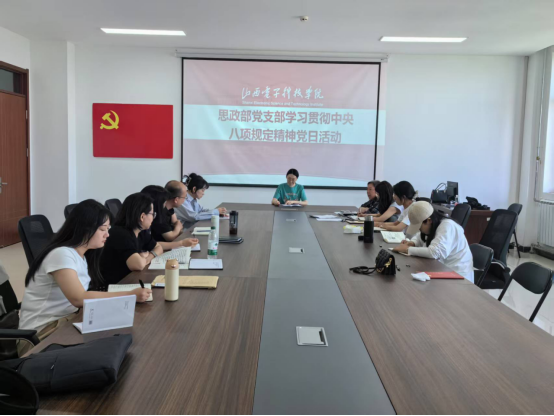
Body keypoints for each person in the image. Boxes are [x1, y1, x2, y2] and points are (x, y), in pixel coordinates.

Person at [18, 200, 152, 354]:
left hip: (67, 320)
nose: (107, 234)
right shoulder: (62, 254)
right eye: (102, 229)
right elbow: (78, 298)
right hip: (41, 335)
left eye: (108, 229)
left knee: (121, 335)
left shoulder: (81, 255)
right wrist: (130, 295)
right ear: (85, 228)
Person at [393, 201, 474, 282]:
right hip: (441, 269)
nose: (419, 230)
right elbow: (419, 237)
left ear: (429, 220)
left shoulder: (447, 226)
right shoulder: (433, 225)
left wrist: (407, 249)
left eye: (420, 227)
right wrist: (412, 243)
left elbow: (434, 252)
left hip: (458, 276)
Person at [100, 193, 164, 286]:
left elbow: (159, 247)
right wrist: (142, 258)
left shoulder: (140, 231)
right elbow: (138, 265)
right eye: (152, 214)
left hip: (127, 280)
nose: (153, 218)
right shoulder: (120, 234)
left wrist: (147, 257)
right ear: (142, 216)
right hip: (113, 286)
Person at [141, 184, 199, 250]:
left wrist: (181, 241)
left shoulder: (166, 211)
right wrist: (181, 242)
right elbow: (170, 237)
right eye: (164, 202)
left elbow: (154, 244)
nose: (165, 205)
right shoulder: (157, 217)